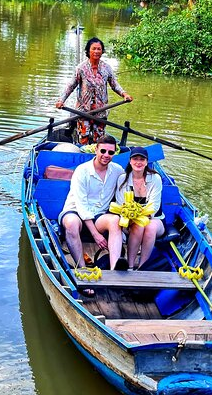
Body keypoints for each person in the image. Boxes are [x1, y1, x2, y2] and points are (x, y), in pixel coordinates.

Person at [58, 135, 127, 275]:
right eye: (103, 151)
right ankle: (82, 269)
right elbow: (81, 205)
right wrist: (96, 235)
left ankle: (114, 269)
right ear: (96, 150)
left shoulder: (118, 170)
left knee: (115, 220)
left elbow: (125, 191)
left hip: (99, 215)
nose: (106, 155)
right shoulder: (82, 171)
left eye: (110, 152)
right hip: (75, 212)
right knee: (71, 223)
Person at [55, 37, 133, 145]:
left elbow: (114, 85)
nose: (96, 51)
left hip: (101, 111)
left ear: (102, 51)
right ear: (88, 51)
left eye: (99, 49)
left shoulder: (107, 68)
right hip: (83, 111)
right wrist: (61, 100)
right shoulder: (81, 68)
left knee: (99, 141)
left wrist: (125, 94)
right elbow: (71, 86)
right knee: (83, 140)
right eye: (94, 49)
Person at [114, 146, 164, 270]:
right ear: (130, 161)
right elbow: (121, 205)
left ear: (146, 162)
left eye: (142, 159)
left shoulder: (155, 179)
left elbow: (154, 206)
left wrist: (141, 216)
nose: (138, 162)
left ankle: (142, 267)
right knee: (138, 226)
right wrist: (131, 218)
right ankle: (130, 266)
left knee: (149, 226)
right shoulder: (123, 179)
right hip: (128, 220)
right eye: (135, 159)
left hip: (154, 219)